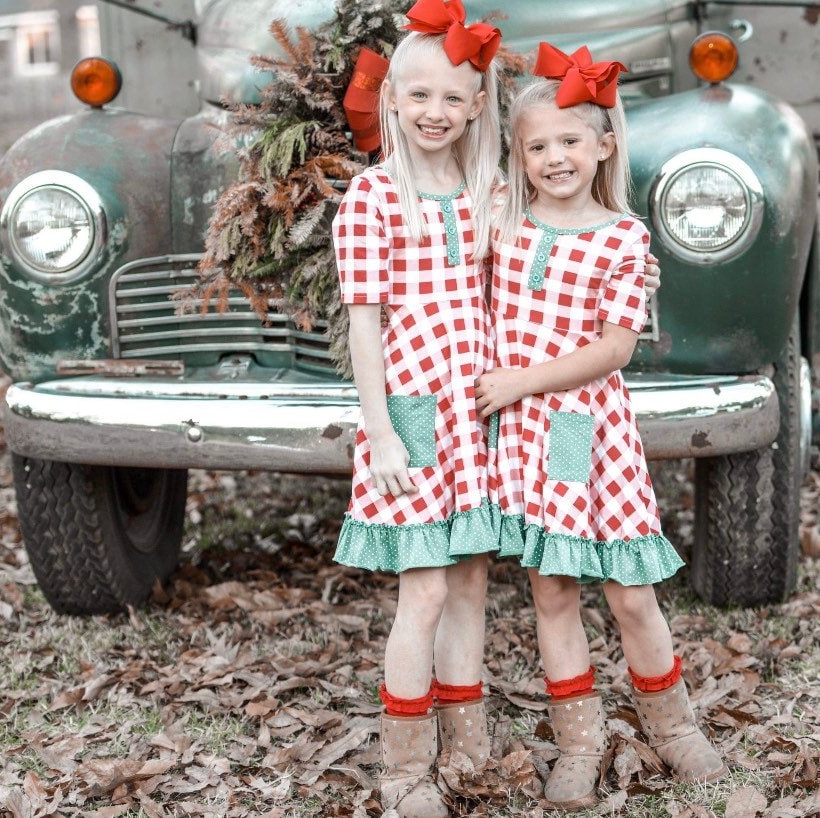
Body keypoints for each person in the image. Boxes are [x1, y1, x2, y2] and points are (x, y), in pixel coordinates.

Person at [475, 42, 726, 811]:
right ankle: (578, 743)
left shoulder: (623, 238)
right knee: (551, 592)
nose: (554, 158)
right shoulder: (502, 224)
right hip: (523, 438)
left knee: (628, 593)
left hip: (590, 433)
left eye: (570, 141)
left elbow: (615, 349)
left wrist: (518, 382)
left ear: (604, 143)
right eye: (538, 145)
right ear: (517, 154)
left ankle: (673, 726)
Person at [332, 2, 503, 815]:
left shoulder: (484, 192)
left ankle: (468, 745)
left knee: (470, 581)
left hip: (475, 412)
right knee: (425, 588)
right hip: (410, 414)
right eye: (419, 96)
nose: (435, 113)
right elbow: (364, 326)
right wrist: (381, 433)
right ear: (392, 101)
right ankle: (405, 766)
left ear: (476, 106)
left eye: (452, 98)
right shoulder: (372, 198)